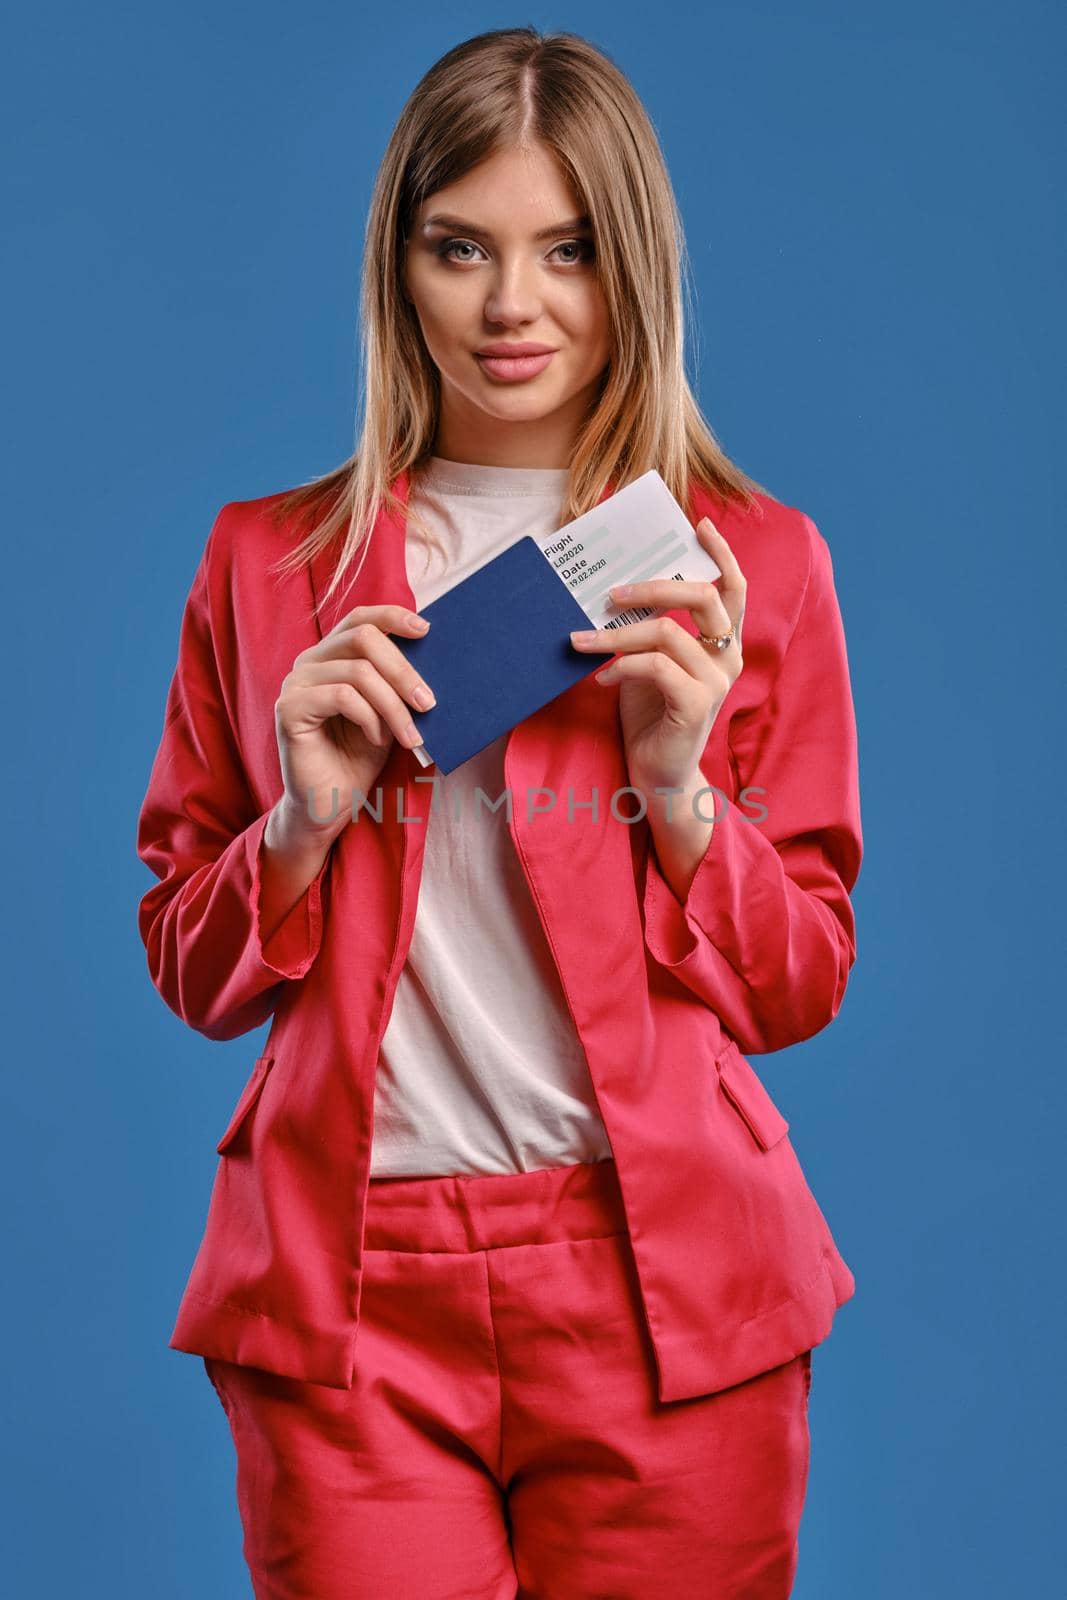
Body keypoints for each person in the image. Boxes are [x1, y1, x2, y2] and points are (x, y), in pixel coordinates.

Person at [136, 25, 863, 1600]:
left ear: (636, 270)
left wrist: (676, 790)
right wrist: (298, 829)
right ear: (400, 265)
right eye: (461, 247)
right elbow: (192, 971)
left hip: (662, 1275)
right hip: (348, 1287)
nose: (513, 304)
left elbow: (800, 979)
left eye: (568, 251)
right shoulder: (264, 565)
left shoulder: (754, 566)